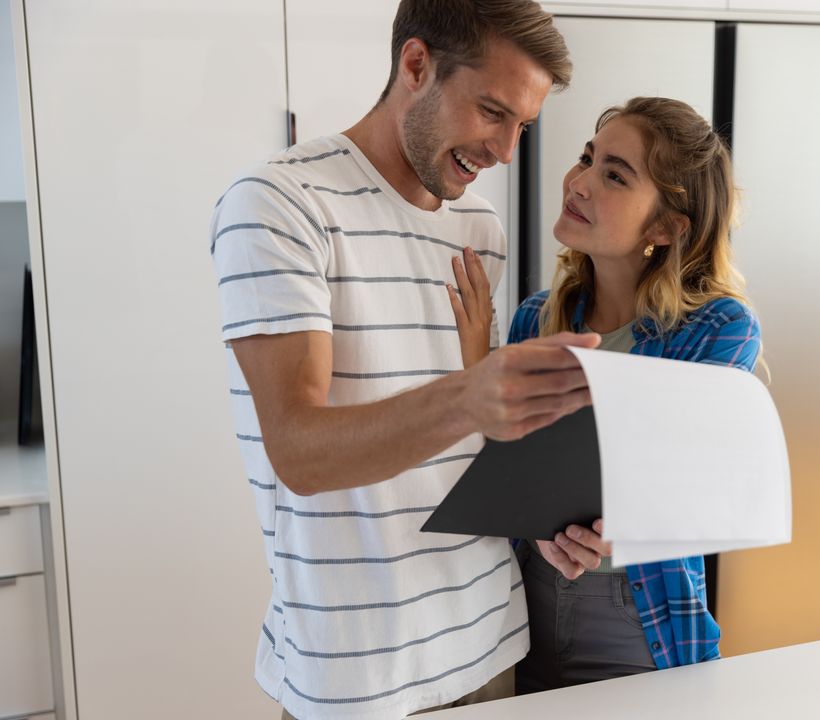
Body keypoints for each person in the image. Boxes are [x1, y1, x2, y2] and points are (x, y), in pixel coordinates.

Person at [209, 2, 610, 718]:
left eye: (524, 126)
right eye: (492, 111)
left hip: (490, 644)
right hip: (356, 676)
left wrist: (546, 515)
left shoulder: (478, 225)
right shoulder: (279, 203)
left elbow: (463, 450)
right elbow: (300, 452)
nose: (507, 152)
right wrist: (469, 394)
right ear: (416, 65)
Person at [447, 96, 762, 693]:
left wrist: (629, 522)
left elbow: (693, 483)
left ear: (668, 227)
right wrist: (475, 365)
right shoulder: (537, 318)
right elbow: (506, 465)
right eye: (587, 159)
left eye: (614, 174)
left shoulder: (718, 328)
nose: (580, 182)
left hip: (639, 620)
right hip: (523, 609)